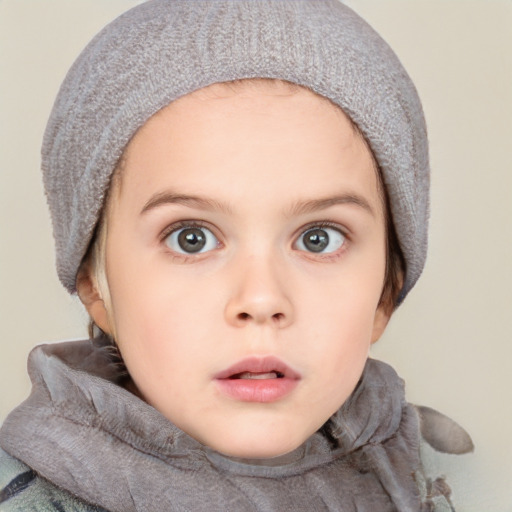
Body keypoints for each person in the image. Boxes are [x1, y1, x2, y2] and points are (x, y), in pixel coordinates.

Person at [0, 1, 473, 510]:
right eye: (191, 238)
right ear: (96, 286)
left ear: (386, 290)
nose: (261, 299)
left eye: (319, 237)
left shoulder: (455, 476)